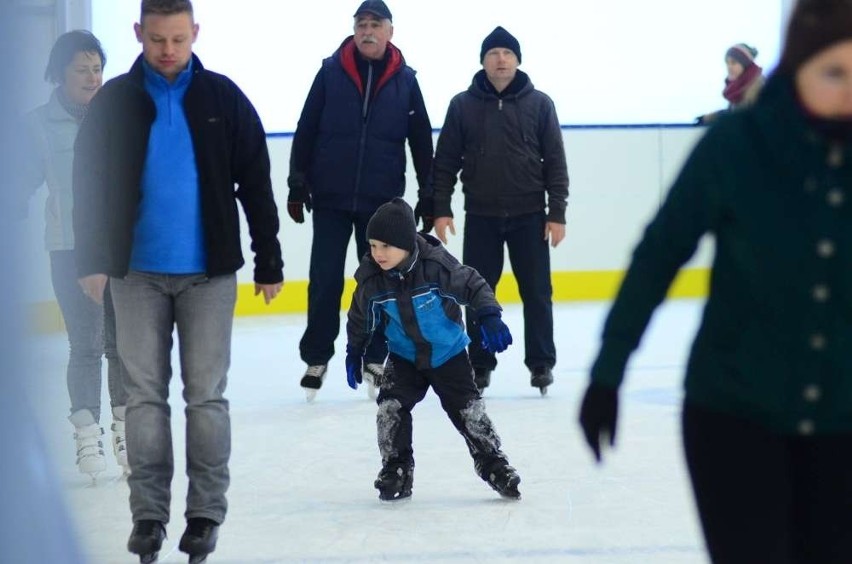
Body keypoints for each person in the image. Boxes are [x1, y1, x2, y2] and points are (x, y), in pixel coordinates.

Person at [579, 1, 852, 561]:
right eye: (834, 72)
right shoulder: (737, 145)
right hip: (736, 421)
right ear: (798, 64)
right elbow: (659, 255)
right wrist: (608, 371)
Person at [72, 0, 284, 561]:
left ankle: (205, 513)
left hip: (208, 276)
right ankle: (148, 516)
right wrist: (91, 257)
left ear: (195, 34)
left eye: (179, 40)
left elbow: (256, 181)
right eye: (157, 39)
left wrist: (269, 259)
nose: (168, 51)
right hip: (134, 274)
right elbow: (86, 180)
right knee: (143, 399)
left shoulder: (223, 99)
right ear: (139, 32)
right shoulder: (115, 101)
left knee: (205, 397)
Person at [287, 0, 434, 401]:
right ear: (354, 30)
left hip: (380, 205)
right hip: (331, 196)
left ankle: (375, 354)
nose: (367, 31)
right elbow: (306, 127)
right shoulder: (331, 72)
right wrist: (297, 182)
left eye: (375, 24)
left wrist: (429, 195)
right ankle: (316, 356)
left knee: (378, 281)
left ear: (390, 31)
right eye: (361, 24)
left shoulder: (406, 80)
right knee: (325, 279)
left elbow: (421, 141)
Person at [346, 198, 521, 501]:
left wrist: (490, 315)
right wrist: (355, 350)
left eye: (385, 246)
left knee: (468, 411)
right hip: (404, 357)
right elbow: (360, 317)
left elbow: (474, 285)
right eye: (373, 246)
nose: (378, 254)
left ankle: (494, 464)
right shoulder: (372, 280)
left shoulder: (435, 267)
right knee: (390, 408)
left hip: (448, 354)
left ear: (404, 243)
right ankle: (396, 468)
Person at [432, 26, 569, 394]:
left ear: (518, 60)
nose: (501, 58)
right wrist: (441, 209)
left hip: (530, 216)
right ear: (483, 61)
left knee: (537, 292)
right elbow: (445, 161)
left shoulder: (540, 104)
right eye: (493, 53)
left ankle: (541, 363)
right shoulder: (462, 105)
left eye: (508, 53)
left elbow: (555, 160)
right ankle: (480, 362)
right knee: (478, 292)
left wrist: (557, 212)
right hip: (481, 215)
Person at [21, 30, 131, 479]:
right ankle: (87, 435)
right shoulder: (37, 125)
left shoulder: (118, 115)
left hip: (120, 247)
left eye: (97, 68)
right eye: (81, 69)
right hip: (70, 250)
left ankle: (126, 429)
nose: (91, 77)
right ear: (60, 73)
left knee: (122, 344)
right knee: (85, 345)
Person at [697, 43, 765, 125]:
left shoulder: (757, 85)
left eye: (733, 63)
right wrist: (708, 118)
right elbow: (732, 113)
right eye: (727, 63)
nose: (729, 67)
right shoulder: (737, 87)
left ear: (745, 64)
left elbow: (743, 116)